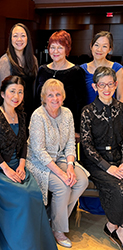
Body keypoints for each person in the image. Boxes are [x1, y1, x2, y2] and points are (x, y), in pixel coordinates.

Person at [0, 75, 57, 250]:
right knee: (22, 197)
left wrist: (22, 165)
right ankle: (19, 244)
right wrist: (7, 169)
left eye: (20, 92)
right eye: (12, 91)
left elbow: (23, 143)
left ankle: (39, 243)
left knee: (34, 193)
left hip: (16, 164)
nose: (16, 95)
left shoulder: (21, 115)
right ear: (3, 93)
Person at [26, 78, 88, 248]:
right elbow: (39, 151)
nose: (55, 98)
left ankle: (53, 220)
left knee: (81, 180)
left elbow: (70, 143)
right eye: (50, 95)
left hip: (61, 159)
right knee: (63, 186)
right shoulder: (38, 115)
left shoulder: (67, 113)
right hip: (39, 163)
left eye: (58, 94)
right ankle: (58, 230)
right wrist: (61, 174)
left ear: (63, 96)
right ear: (44, 98)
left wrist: (69, 167)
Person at [80, 66, 123, 250]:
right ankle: (119, 228)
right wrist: (108, 167)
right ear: (95, 87)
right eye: (102, 85)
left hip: (119, 159)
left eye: (110, 84)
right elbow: (87, 146)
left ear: (116, 85)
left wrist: (122, 163)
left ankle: (111, 225)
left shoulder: (122, 109)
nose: (107, 89)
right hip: (96, 163)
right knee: (117, 186)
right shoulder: (87, 112)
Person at [34, 30, 87, 142]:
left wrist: (77, 130)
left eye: (60, 47)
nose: (55, 51)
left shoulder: (76, 71)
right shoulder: (42, 70)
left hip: (67, 126)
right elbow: (36, 99)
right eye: (53, 47)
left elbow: (81, 103)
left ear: (67, 50)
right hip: (43, 125)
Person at [0, 23, 38, 125]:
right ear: (10, 39)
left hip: (30, 111)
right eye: (15, 36)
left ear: (28, 38)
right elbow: (4, 93)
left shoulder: (33, 60)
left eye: (23, 36)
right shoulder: (5, 61)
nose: (19, 39)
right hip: (13, 113)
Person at [80, 31, 123, 104]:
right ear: (91, 46)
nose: (99, 49)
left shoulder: (117, 68)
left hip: (111, 112)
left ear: (109, 49)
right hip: (87, 113)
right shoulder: (82, 69)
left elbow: (120, 96)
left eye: (104, 46)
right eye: (96, 45)